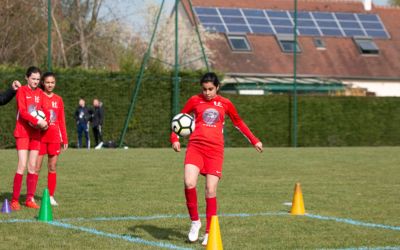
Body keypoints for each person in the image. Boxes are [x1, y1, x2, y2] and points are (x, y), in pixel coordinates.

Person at [170, 72, 263, 245]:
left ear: (217, 87)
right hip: (195, 147)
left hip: (215, 151)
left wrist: (254, 140)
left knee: (210, 190)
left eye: (211, 89)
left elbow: (238, 122)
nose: (207, 92)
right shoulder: (194, 100)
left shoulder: (226, 103)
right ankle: (195, 222)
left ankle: (209, 231)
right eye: (204, 89)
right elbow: (179, 120)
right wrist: (174, 139)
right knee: (189, 182)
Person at [11, 66, 48, 210]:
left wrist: (45, 124)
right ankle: (14, 200)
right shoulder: (21, 91)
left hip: (35, 133)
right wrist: (37, 120)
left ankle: (29, 199)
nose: (36, 81)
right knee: (22, 164)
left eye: (38, 79)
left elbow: (44, 111)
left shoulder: (40, 92)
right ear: (27, 78)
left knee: (33, 166)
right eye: (33, 78)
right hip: (23, 132)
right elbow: (23, 111)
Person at [34, 72, 68, 206]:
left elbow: (61, 120)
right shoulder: (39, 96)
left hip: (54, 138)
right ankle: (30, 197)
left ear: (55, 83)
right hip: (40, 137)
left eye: (52, 82)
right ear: (43, 82)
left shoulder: (58, 99)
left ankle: (51, 196)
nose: (50, 85)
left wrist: (64, 139)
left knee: (52, 167)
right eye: (47, 82)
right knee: (36, 167)